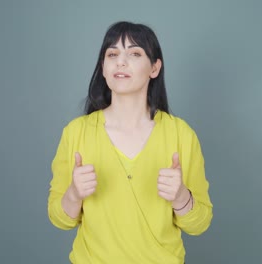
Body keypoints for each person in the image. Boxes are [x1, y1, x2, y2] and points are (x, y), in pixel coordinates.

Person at [48, 21, 213, 264]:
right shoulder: (76, 133)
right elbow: (60, 219)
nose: (120, 61)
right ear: (103, 68)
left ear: (154, 68)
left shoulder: (181, 134)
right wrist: (74, 194)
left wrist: (180, 197)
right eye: (112, 54)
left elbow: (200, 224)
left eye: (134, 53)